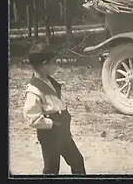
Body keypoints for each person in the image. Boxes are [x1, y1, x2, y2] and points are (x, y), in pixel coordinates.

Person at [23, 43, 86, 175]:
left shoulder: (49, 81)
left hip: (63, 133)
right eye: (54, 62)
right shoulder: (34, 90)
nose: (56, 66)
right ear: (45, 64)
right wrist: (53, 124)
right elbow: (32, 118)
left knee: (77, 160)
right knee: (51, 169)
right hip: (49, 135)